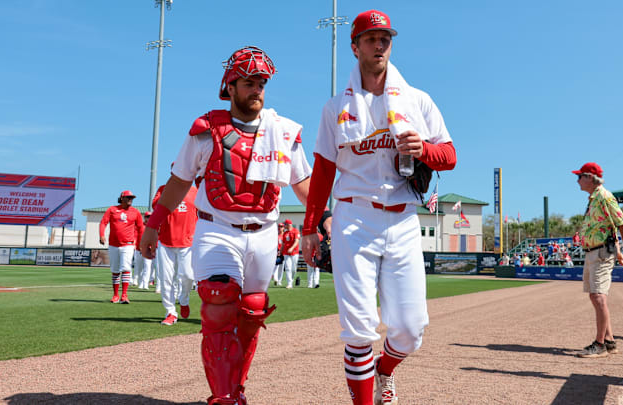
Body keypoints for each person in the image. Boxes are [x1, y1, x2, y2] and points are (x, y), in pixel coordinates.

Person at [139, 46, 311, 405]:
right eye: (249, 83)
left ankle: (237, 387)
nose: (257, 90)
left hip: (264, 233)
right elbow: (179, 180)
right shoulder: (205, 131)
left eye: (261, 83)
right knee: (218, 305)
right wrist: (154, 225)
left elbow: (303, 185)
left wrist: (326, 221)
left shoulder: (283, 132)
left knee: (252, 311)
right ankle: (222, 397)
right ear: (229, 87)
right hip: (216, 228)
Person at [301, 10, 457, 405]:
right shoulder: (335, 106)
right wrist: (309, 227)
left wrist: (425, 150)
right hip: (353, 217)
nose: (379, 43)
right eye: (370, 38)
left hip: (403, 218)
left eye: (385, 37)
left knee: (410, 329)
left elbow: (450, 155)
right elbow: (322, 172)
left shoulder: (417, 100)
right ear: (354, 47)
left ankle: (384, 369)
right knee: (358, 330)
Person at [572, 162, 623, 358]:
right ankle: (609, 341)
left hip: (600, 253)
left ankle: (599, 345)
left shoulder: (604, 196)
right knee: (595, 296)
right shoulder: (594, 198)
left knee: (599, 297)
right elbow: (610, 227)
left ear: (590, 177)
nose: (577, 180)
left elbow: (622, 224)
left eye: (580, 176)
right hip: (594, 252)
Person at [152, 183, 198, 326]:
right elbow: (156, 207)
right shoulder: (163, 189)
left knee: (188, 276)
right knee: (165, 279)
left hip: (188, 241)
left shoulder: (196, 191)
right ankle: (170, 312)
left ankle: (183, 299)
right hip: (166, 241)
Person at [99, 190, 143, 304]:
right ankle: (115, 295)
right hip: (113, 244)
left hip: (128, 244)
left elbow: (140, 228)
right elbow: (103, 222)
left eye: (132, 198)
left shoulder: (136, 212)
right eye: (128, 197)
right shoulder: (112, 209)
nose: (130, 199)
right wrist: (102, 235)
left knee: (126, 268)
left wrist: (141, 243)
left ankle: (124, 295)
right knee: (115, 270)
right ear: (122, 198)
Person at [133, 211, 154, 289]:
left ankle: (145, 283)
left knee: (147, 267)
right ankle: (137, 280)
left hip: (148, 249)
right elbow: (135, 235)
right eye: (147, 217)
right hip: (139, 249)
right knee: (139, 266)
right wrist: (135, 244)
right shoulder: (140, 225)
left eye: (150, 216)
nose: (149, 218)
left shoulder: (153, 226)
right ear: (144, 217)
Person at [281, 219, 300, 289]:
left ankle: (291, 280)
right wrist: (280, 251)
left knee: (293, 269)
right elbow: (283, 243)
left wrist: (292, 248)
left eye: (285, 224)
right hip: (286, 253)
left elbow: (297, 241)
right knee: (288, 268)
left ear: (288, 224)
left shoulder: (296, 231)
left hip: (294, 253)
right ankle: (289, 283)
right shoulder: (285, 233)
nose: (284, 226)